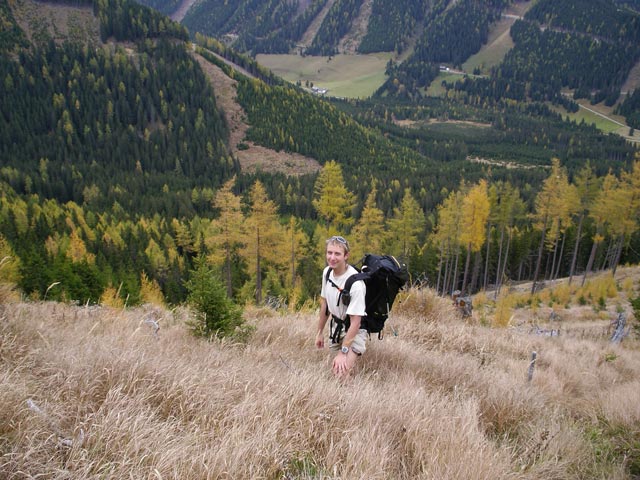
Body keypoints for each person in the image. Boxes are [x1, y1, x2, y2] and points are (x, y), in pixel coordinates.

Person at [315, 235, 368, 377]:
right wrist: (319, 332)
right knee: (338, 373)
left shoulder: (355, 284)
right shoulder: (327, 273)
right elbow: (324, 305)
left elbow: (356, 323)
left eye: (337, 254)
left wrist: (343, 352)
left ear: (346, 256)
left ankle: (354, 397)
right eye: (329, 252)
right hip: (336, 329)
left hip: (354, 330)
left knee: (340, 374)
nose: (332, 257)